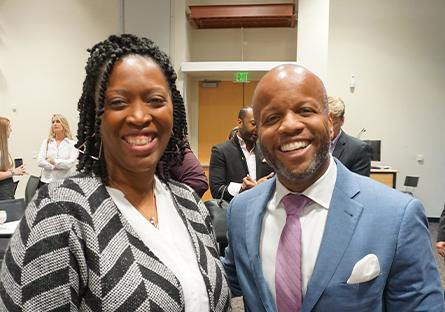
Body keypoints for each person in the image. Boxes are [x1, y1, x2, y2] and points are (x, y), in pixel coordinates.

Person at [0, 34, 230, 311]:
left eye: (155, 100)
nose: (139, 116)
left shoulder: (188, 203)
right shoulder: (58, 212)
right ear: (95, 115)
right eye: (119, 102)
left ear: (174, 110)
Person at [221, 64, 444, 311]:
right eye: (272, 118)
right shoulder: (241, 212)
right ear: (258, 132)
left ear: (330, 123)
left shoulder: (397, 216)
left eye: (305, 110)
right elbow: (219, 284)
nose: (289, 125)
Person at [209, 107, 274, 202]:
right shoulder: (220, 151)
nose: (258, 129)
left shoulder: (266, 150)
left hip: (263, 210)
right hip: (234, 210)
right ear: (240, 122)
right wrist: (241, 188)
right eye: (253, 124)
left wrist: (260, 186)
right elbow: (217, 191)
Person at [328, 96, 372, 176]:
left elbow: (359, 185)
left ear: (342, 121)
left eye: (333, 124)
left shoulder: (358, 149)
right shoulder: (312, 144)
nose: (329, 129)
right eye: (325, 123)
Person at [37, 114, 78, 186]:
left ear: (64, 125)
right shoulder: (46, 142)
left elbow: (69, 164)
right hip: (46, 182)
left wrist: (54, 161)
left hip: (64, 183)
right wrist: (54, 166)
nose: (55, 124)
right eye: (53, 122)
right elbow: (40, 161)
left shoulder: (73, 144)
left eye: (58, 121)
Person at [0, 117, 26, 200]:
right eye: (9, 127)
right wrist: (13, 172)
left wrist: (15, 172)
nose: (11, 130)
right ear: (3, 130)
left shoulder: (2, 148)